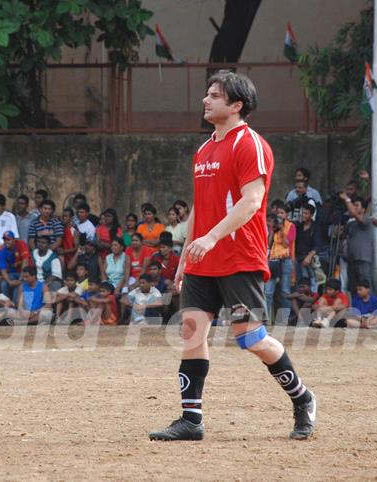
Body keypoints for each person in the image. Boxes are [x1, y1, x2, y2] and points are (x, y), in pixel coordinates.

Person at [149, 71, 316, 443]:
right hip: (203, 260)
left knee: (250, 339)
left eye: (214, 95)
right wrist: (185, 258)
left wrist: (210, 237)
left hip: (239, 257)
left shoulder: (250, 144)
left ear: (236, 104)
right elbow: (199, 207)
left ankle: (303, 397)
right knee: (192, 332)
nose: (205, 100)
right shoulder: (204, 149)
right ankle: (191, 420)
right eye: (206, 94)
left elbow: (253, 201)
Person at [341, 194, 377, 294]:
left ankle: (370, 308)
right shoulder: (350, 222)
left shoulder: (367, 219)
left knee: (366, 285)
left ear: (363, 209)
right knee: (353, 287)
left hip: (363, 258)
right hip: (351, 259)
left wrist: (347, 199)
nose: (353, 207)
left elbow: (354, 213)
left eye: (357, 205)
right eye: (353, 205)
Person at [266, 201, 296, 313]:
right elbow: (268, 244)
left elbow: (286, 244)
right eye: (278, 212)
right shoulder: (273, 225)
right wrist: (272, 230)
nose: (280, 215)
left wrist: (282, 229)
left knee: (285, 291)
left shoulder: (291, 226)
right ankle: (265, 319)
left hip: (285, 260)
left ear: (286, 215)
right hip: (273, 260)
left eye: (282, 213)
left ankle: (283, 321)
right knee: (268, 291)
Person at [0, 230, 31, 300]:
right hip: (12, 274)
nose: (6, 241)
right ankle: (5, 304)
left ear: (14, 239)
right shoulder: (2, 251)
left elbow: (25, 261)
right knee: (4, 284)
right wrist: (10, 281)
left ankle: (15, 306)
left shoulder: (20, 244)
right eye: (5, 239)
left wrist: (21, 279)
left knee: (18, 285)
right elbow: (3, 270)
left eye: (8, 239)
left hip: (25, 273)